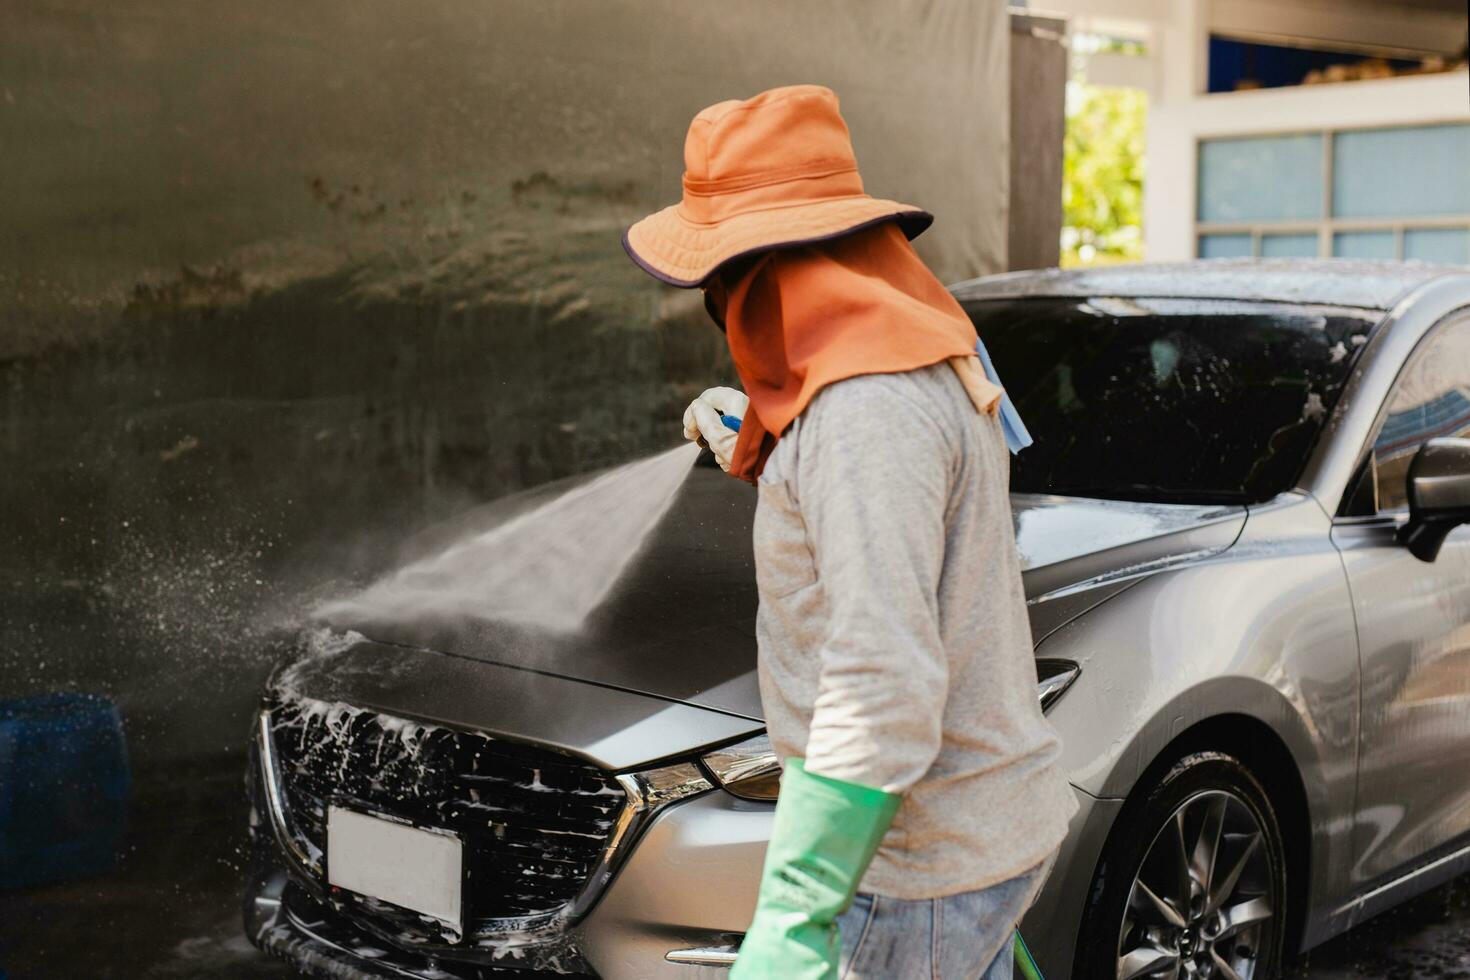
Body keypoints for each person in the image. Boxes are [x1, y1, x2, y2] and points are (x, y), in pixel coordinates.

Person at [622, 84, 1076, 980]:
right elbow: (898, 512)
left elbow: (884, 681)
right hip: (964, 847)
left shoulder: (866, 414)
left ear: (764, 272)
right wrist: (759, 438)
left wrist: (795, 912)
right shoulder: (911, 357)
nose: (718, 304)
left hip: (915, 865)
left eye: (722, 280)